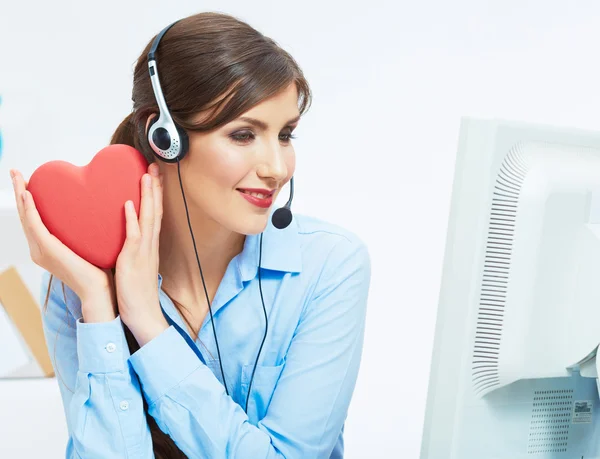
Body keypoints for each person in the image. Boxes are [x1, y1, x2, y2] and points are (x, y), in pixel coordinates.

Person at [10, 11, 371, 459]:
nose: (277, 168)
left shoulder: (329, 266)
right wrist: (100, 307)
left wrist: (147, 322)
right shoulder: (79, 283)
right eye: (243, 135)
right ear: (164, 138)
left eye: (285, 135)